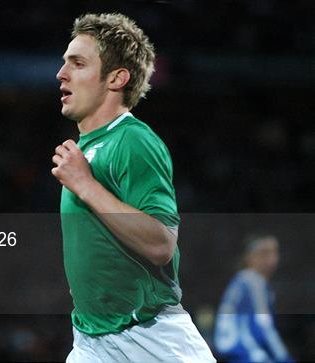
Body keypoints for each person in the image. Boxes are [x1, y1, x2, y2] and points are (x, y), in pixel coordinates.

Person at [51, 13, 215, 362]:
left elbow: (161, 244)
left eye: (77, 63)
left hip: (149, 339)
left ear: (116, 78)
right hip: (91, 339)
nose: (61, 74)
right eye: (65, 62)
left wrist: (85, 185)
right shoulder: (88, 149)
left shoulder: (133, 140)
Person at [214, 234, 295, 363]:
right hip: (245, 354)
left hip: (235, 353)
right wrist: (284, 358)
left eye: (274, 252)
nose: (271, 259)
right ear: (249, 256)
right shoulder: (252, 281)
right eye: (264, 253)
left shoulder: (241, 281)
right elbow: (263, 327)